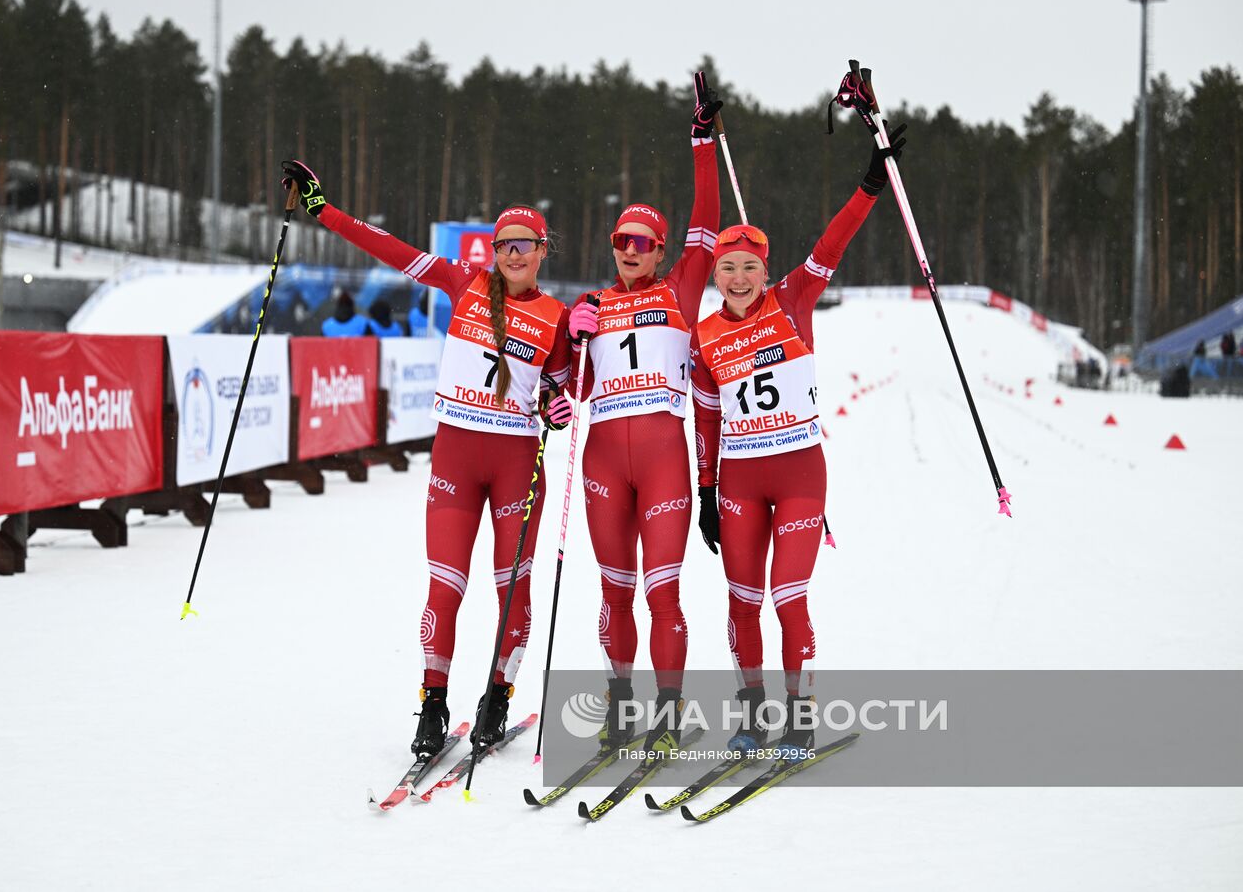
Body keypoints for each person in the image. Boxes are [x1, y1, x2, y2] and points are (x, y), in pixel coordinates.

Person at [282, 159, 574, 759]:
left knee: (511, 589)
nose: (515, 255)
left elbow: (569, 386)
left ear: (543, 251)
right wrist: (322, 210)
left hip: (518, 460)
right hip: (456, 460)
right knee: (444, 589)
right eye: (505, 246)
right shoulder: (463, 284)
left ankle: (498, 693)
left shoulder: (559, 317)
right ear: (493, 251)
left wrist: (559, 395)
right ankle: (433, 703)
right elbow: (388, 247)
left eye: (526, 246)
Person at [689, 125, 906, 755]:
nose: (736, 277)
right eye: (726, 268)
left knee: (788, 595)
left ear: (764, 268)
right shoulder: (704, 335)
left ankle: (800, 712)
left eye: (748, 266)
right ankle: (753, 714)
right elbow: (706, 421)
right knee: (742, 602)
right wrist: (706, 494)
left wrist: (870, 184)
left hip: (800, 475)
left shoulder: (793, 297)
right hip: (740, 482)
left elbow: (832, 241)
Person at [565, 71, 720, 752]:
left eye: (642, 243)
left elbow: (708, 223)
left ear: (659, 250)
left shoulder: (682, 286)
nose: (630, 251)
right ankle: (620, 703)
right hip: (603, 461)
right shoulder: (593, 304)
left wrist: (702, 144)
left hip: (662, 461)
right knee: (614, 593)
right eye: (621, 241)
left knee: (664, 592)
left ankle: (668, 708)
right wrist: (570, 343)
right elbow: (566, 394)